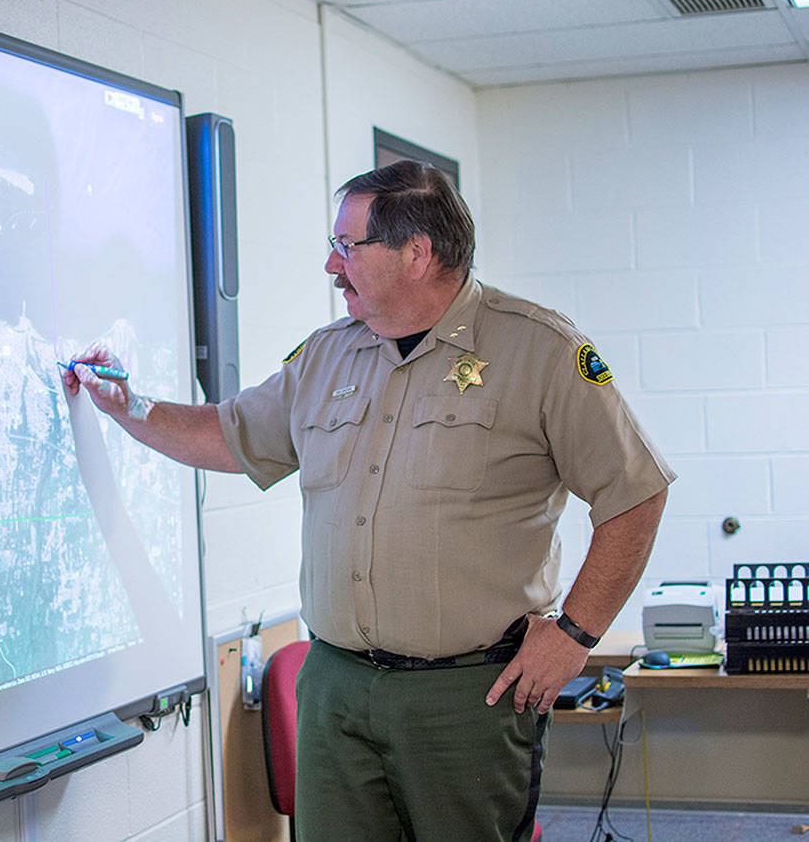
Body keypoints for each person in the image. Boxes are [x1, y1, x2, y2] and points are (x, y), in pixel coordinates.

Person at [61, 160, 673, 841]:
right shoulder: (325, 358)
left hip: (467, 696)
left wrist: (574, 637)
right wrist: (129, 406)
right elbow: (228, 436)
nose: (331, 264)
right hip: (337, 691)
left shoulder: (540, 350)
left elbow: (636, 495)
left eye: (348, 247)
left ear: (416, 253)